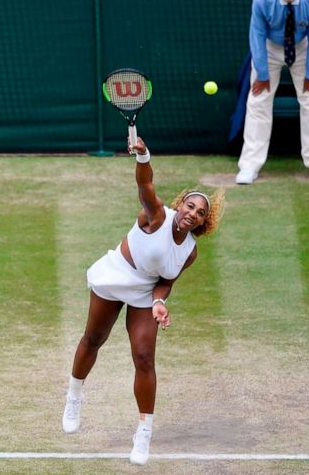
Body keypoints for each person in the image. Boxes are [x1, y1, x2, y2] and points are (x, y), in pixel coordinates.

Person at [62, 137, 224, 466]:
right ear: (180, 205)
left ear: (203, 222)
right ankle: (74, 397)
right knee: (93, 339)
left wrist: (159, 303)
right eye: (190, 206)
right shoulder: (157, 216)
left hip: (145, 292)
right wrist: (143, 155)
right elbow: (145, 183)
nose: (192, 213)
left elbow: (166, 281)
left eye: (200, 213)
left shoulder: (189, 252)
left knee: (144, 356)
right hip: (116, 274)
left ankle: (144, 433)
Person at [236, 0, 309, 186]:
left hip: (302, 46)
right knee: (258, 101)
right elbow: (257, 36)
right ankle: (250, 164)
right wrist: (262, 74)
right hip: (269, 48)